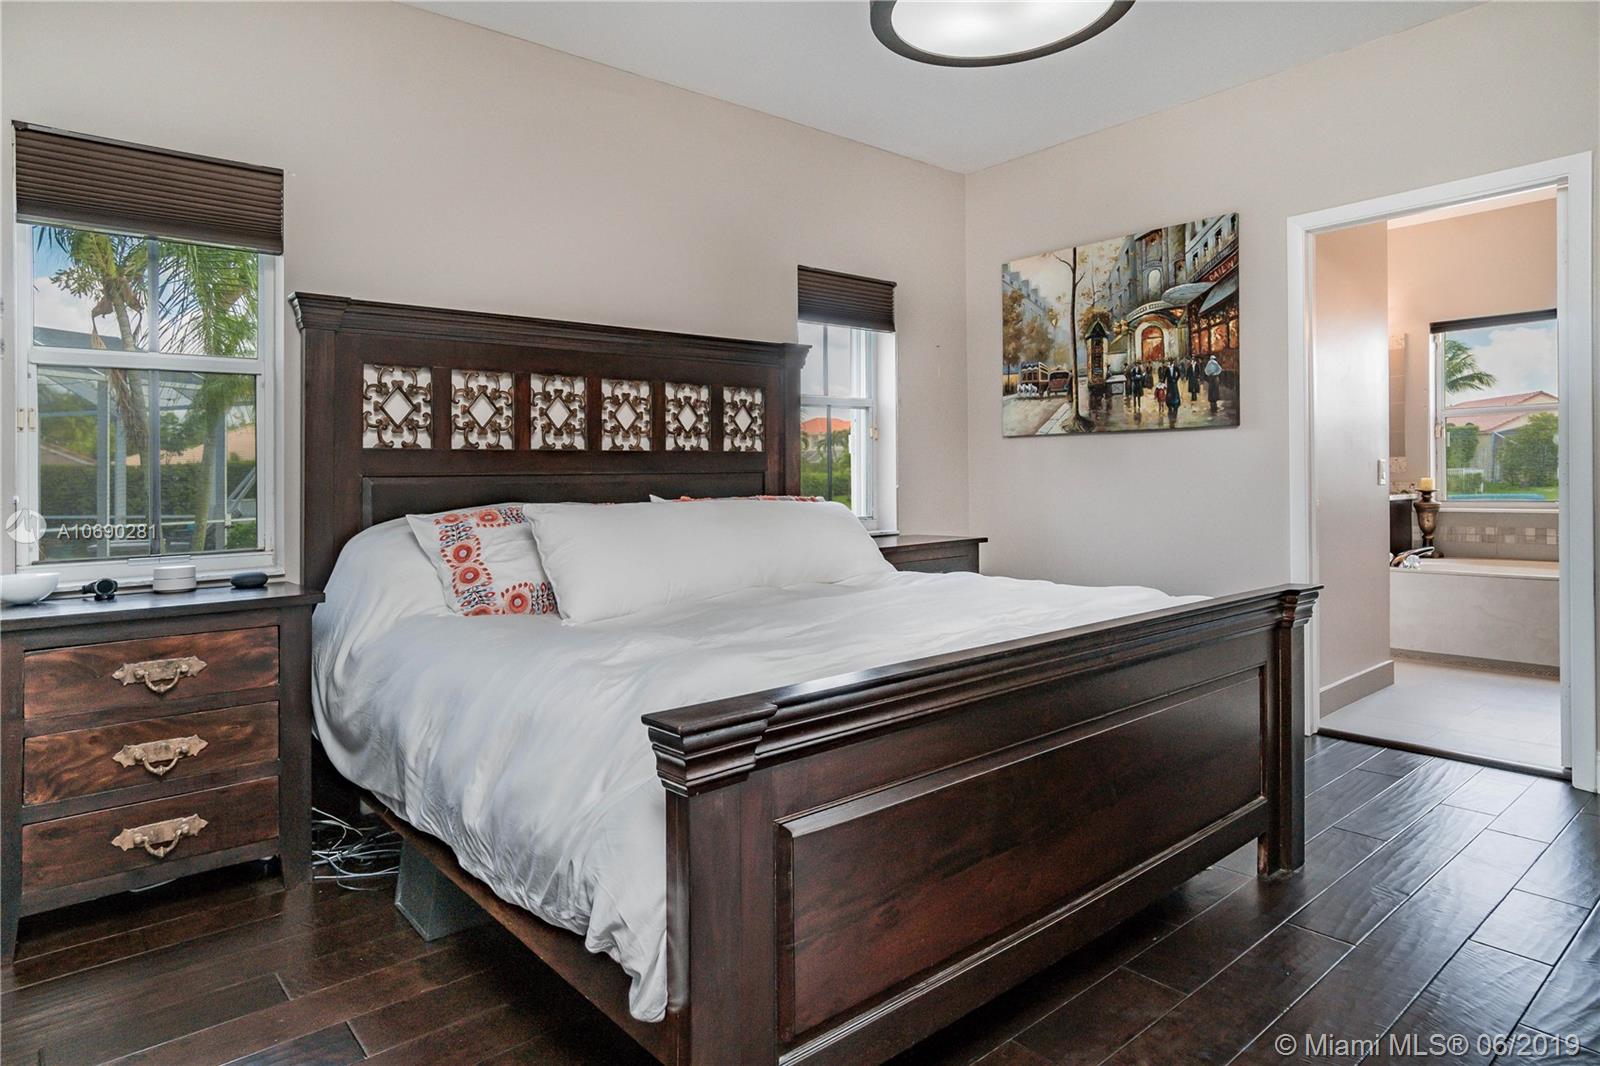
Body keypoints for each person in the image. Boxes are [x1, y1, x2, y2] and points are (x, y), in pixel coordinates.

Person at [1166, 362, 1182, 426]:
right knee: (1169, 393)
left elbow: (1179, 374)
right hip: (1169, 383)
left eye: (1171, 363)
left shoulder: (1175, 368)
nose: (1170, 364)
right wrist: (1162, 382)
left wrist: (1176, 379)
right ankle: (1169, 403)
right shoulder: (1167, 369)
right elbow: (1165, 376)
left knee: (1175, 393)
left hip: (1174, 383)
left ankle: (1176, 402)